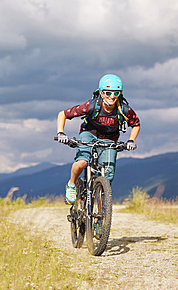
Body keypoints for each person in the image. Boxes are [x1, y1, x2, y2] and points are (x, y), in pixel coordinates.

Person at [56, 74, 141, 204]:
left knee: (106, 179)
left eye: (116, 93)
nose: (112, 96)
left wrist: (131, 140)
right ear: (101, 93)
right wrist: (61, 133)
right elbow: (63, 114)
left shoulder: (124, 109)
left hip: (110, 140)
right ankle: (72, 184)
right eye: (108, 93)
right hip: (89, 134)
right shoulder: (91, 106)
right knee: (82, 162)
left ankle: (100, 222)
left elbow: (136, 124)